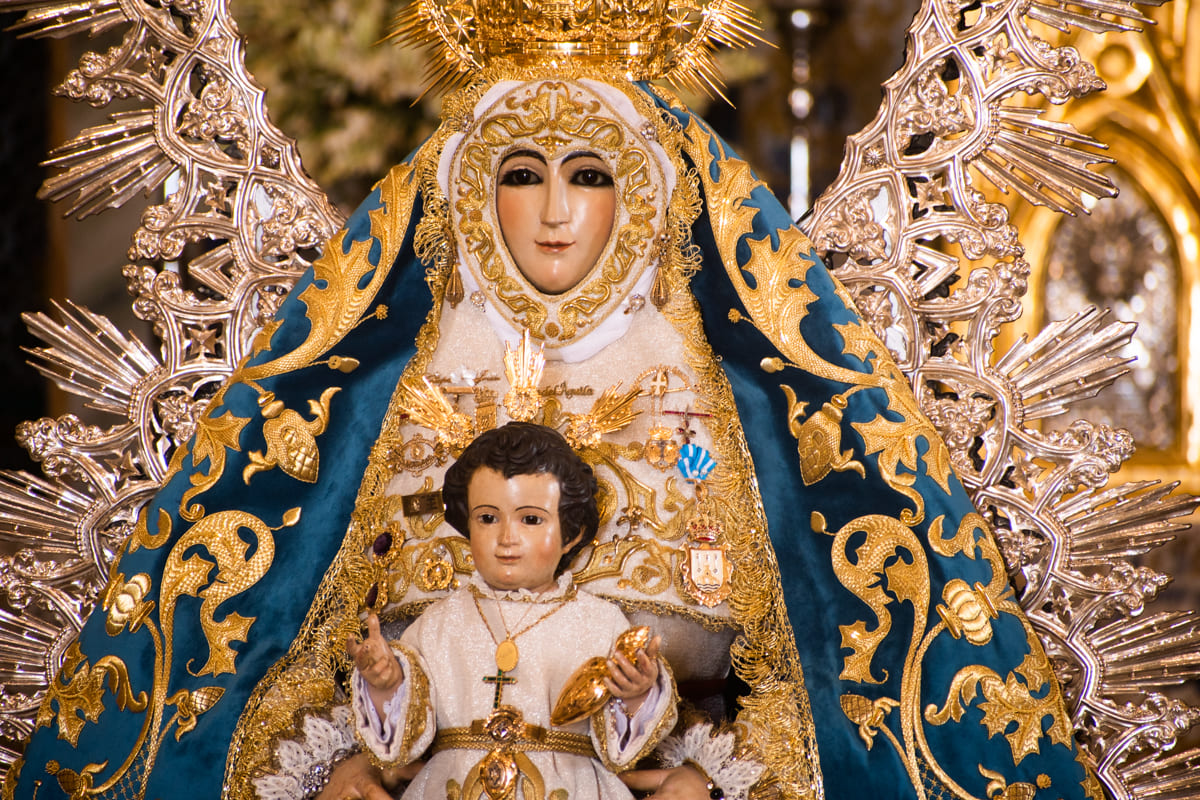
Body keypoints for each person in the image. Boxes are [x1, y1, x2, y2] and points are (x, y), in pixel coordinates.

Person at [10, 3, 1098, 799]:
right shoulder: (398, 375)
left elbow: (807, 641)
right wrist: (346, 750)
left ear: (644, 192)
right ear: (474, 191)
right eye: (521, 172)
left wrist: (716, 772)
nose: (553, 214)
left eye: (590, 173)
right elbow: (308, 614)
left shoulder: (719, 386)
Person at [344, 422, 676, 800]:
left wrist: (635, 693)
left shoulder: (598, 621)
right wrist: (386, 684)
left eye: (530, 519)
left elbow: (620, 748)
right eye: (487, 518)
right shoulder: (438, 623)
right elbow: (403, 740)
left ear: (571, 534)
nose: (506, 538)